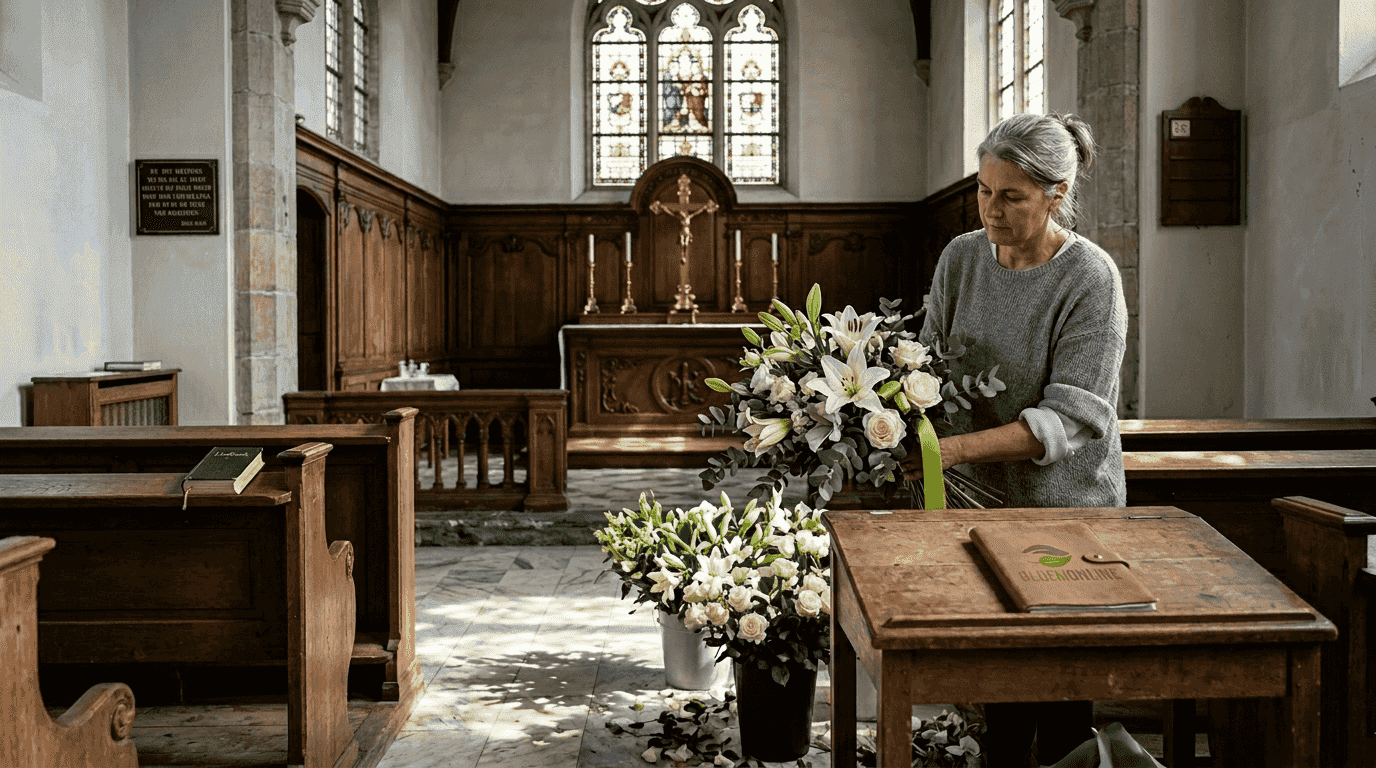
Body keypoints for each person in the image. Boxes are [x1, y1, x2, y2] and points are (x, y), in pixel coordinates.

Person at [903, 112, 1128, 767]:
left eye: (1011, 197)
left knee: (1060, 705)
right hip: (974, 507)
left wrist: (953, 452)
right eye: (982, 190)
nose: (991, 211)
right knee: (996, 702)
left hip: (1065, 509)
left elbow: (1074, 417)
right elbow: (927, 367)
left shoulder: (1090, 277)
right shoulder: (961, 257)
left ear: (1056, 195)